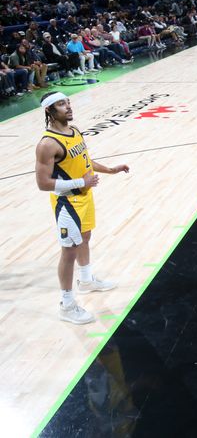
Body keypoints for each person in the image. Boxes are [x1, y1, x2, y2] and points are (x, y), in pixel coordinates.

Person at [34, 92, 129, 324]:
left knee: (85, 238)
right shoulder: (47, 144)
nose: (68, 107)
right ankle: (67, 305)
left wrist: (110, 170)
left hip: (85, 197)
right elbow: (42, 183)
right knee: (69, 252)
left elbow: (85, 160)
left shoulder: (74, 131)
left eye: (67, 102)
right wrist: (80, 183)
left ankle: (86, 281)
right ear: (49, 110)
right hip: (66, 202)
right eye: (61, 104)